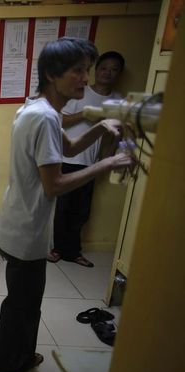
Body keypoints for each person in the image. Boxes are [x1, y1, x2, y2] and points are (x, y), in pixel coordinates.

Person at [0, 38, 135, 372]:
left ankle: (21, 355)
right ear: (53, 75)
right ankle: (3, 369)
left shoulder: (38, 111)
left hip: (24, 222)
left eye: (87, 70)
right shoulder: (42, 117)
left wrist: (99, 128)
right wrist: (108, 162)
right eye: (78, 71)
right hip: (26, 229)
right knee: (20, 306)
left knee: (29, 301)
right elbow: (53, 185)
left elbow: (67, 148)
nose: (86, 79)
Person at [49, 51, 126, 268]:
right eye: (104, 68)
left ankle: (73, 252)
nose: (108, 73)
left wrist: (107, 157)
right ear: (95, 71)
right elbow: (59, 121)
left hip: (91, 161)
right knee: (62, 208)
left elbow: (115, 133)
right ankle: (56, 249)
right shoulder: (80, 93)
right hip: (66, 157)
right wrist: (86, 114)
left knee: (82, 210)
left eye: (114, 70)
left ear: (119, 74)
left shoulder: (117, 100)